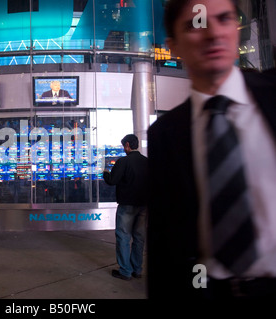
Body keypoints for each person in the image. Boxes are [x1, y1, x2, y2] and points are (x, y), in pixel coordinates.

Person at [147, 0, 276, 299]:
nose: (213, 34)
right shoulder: (165, 135)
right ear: (173, 46)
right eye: (196, 24)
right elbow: (164, 246)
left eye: (224, 19)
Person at [103, 134, 148, 281]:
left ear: (127, 145)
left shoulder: (123, 161)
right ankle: (137, 269)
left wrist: (105, 173)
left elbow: (112, 181)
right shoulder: (147, 162)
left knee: (123, 236)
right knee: (139, 237)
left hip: (127, 205)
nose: (124, 149)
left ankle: (125, 271)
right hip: (143, 205)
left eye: (124, 146)